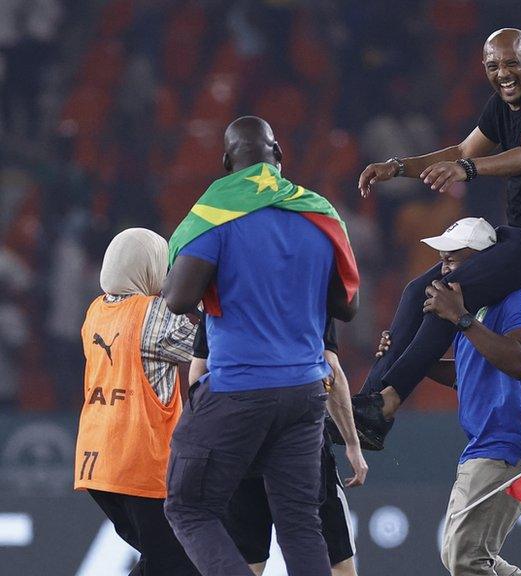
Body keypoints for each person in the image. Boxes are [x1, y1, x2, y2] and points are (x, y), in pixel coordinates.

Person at [353, 28, 521, 450]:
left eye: (511, 62)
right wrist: (398, 167)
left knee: (448, 293)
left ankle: (388, 402)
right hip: (518, 238)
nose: (503, 74)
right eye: (493, 66)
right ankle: (370, 405)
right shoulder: (500, 104)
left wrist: (470, 170)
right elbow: (463, 149)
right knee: (415, 291)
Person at [161, 116, 360, 576]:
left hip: (239, 389)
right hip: (307, 391)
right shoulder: (319, 214)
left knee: (187, 507)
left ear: (227, 163)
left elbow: (179, 299)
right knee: (300, 524)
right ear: (280, 157)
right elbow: (346, 309)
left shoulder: (217, 215)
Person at [386, 217, 521, 575]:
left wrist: (461, 318)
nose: (444, 270)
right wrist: (407, 358)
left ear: (485, 260)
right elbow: (470, 372)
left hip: (516, 439)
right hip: (488, 440)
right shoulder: (476, 306)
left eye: (453, 260)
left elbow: (519, 360)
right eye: (442, 260)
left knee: (464, 557)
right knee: (462, 555)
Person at [189, 319, 366, 576]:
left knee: (246, 562)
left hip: (239, 441)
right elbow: (330, 369)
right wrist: (352, 443)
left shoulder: (222, 296)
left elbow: (197, 374)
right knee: (331, 560)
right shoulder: (310, 291)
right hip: (299, 440)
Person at [73, 228, 199, 576]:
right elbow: (208, 346)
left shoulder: (96, 311)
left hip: (97, 465)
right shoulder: (153, 313)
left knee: (163, 560)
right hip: (139, 464)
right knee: (179, 560)